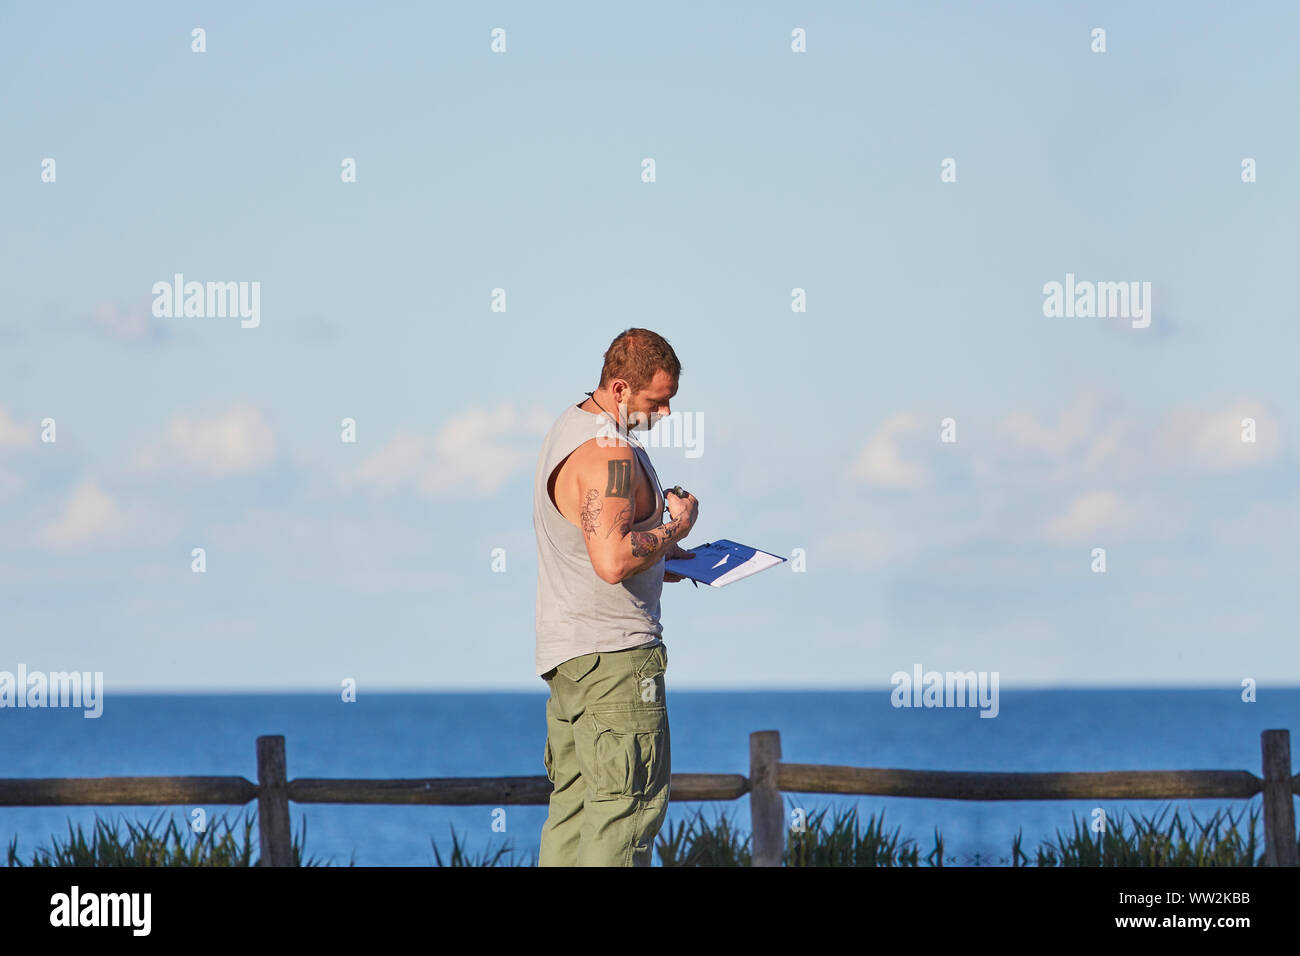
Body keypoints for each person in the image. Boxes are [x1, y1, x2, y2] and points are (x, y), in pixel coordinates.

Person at [533, 328, 699, 866]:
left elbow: (597, 550)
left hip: (573, 663)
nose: (667, 412)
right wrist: (677, 527)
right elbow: (612, 561)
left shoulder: (568, 429)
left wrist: (663, 563)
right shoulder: (612, 453)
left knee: (575, 816)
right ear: (622, 388)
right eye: (658, 400)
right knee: (626, 816)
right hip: (619, 665)